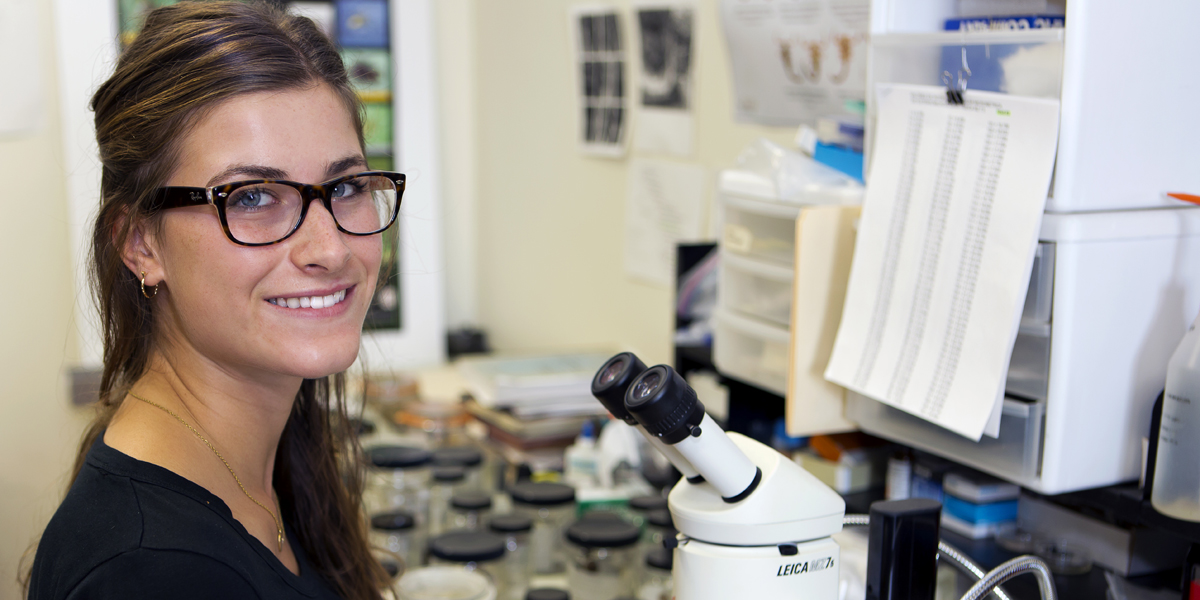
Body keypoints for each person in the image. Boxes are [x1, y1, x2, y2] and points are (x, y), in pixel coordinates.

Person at [26, 2, 400, 598]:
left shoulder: (265, 462)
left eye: (348, 186)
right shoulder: (153, 572)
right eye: (252, 197)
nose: (329, 248)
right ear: (140, 242)